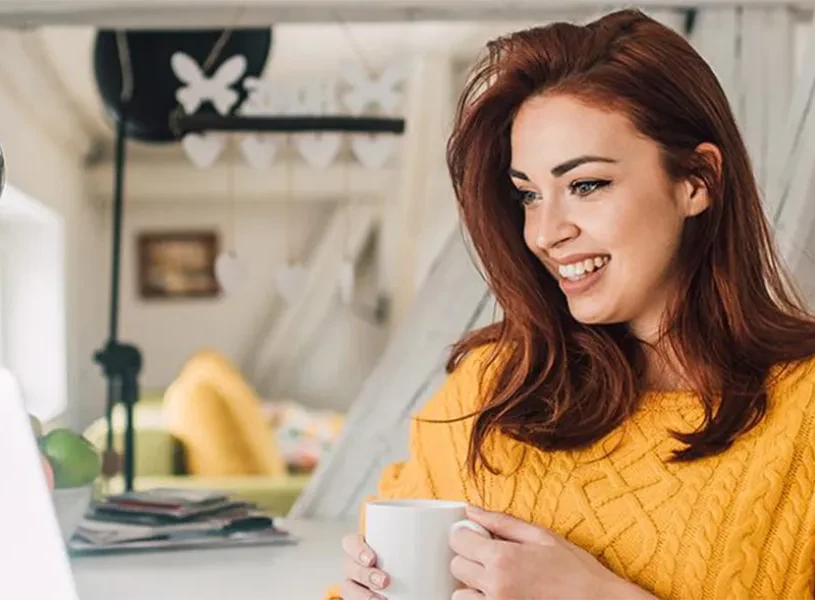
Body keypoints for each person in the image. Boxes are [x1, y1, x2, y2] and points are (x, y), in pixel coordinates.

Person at [332, 8, 815, 600]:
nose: (545, 232)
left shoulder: (805, 414)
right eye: (529, 195)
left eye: (585, 185)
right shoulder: (486, 391)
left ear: (697, 180)